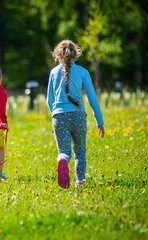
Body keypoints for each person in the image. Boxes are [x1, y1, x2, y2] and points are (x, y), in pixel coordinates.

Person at [46, 39, 105, 188]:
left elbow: (49, 99)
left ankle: (62, 160)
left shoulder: (53, 72)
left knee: (64, 151)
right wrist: (100, 122)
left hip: (59, 116)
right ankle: (80, 182)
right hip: (78, 116)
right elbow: (92, 98)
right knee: (79, 150)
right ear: (75, 54)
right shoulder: (83, 72)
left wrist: (54, 116)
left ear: (58, 55)